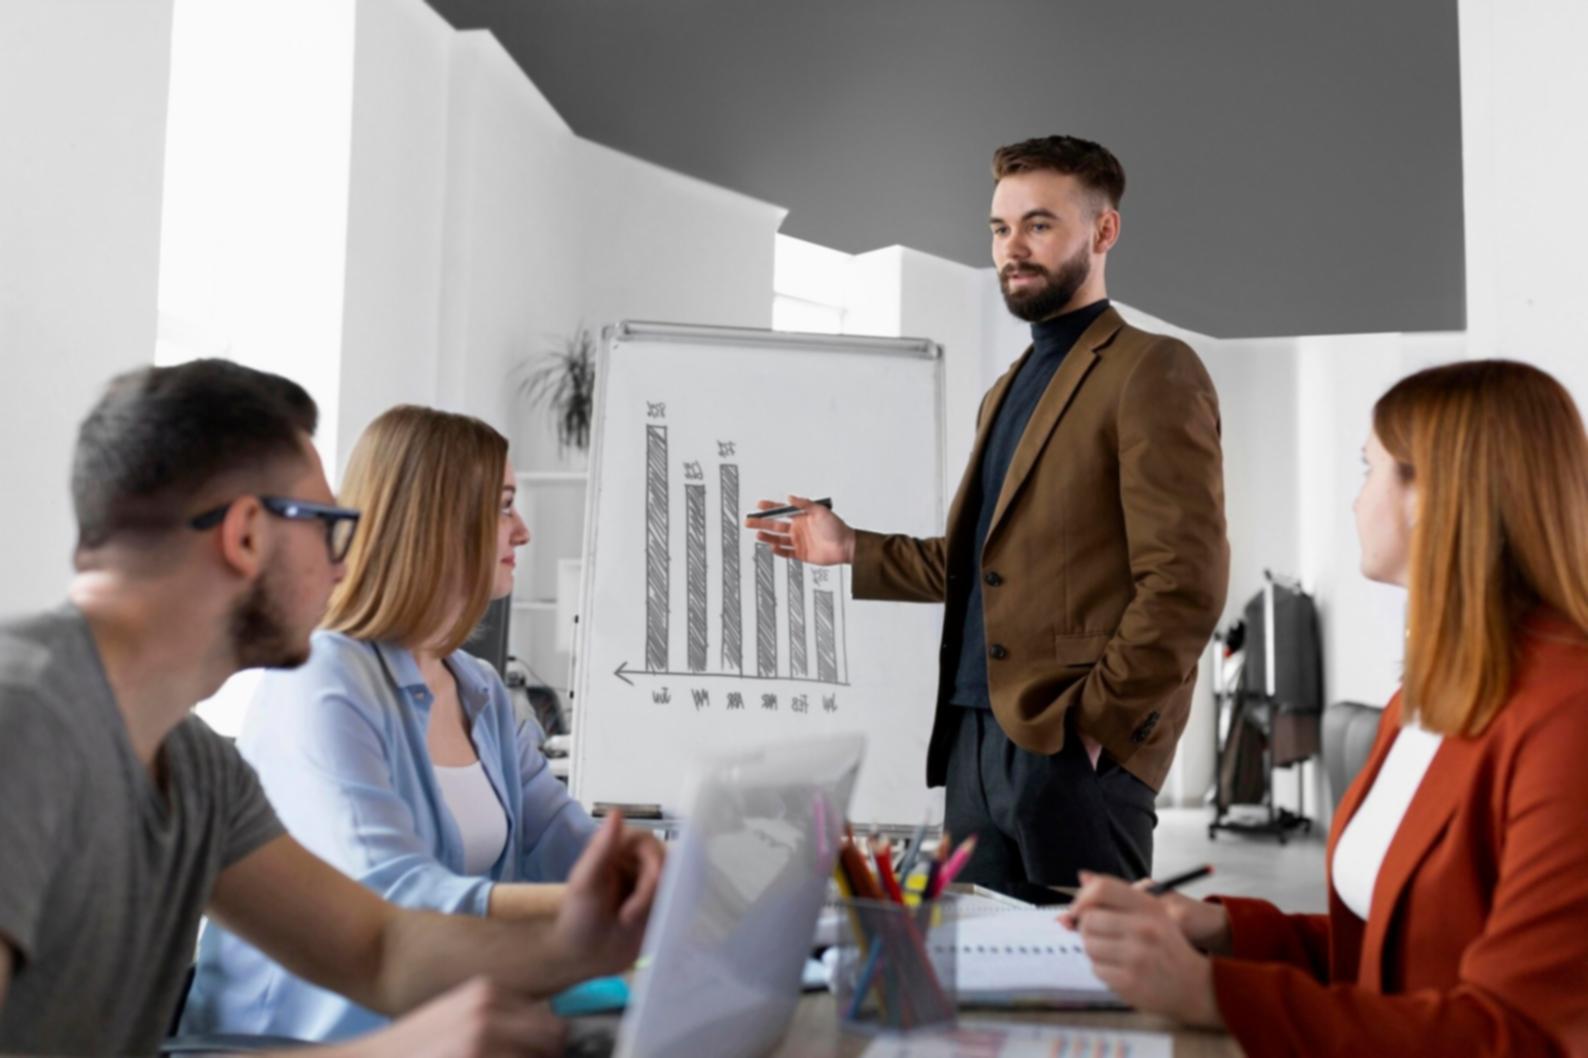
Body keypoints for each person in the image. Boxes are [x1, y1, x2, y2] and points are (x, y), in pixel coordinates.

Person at [0, 360, 659, 1058]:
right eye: (329, 527)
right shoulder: (23, 722)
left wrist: (579, 937)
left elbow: (379, 948)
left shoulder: (193, 764)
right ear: (247, 535)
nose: (345, 564)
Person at [749, 135, 1228, 900]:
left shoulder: (1152, 369)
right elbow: (982, 565)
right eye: (1001, 229)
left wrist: (1095, 729)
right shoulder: (1006, 389)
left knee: (1084, 989)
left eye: (1040, 224)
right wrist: (849, 549)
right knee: (977, 984)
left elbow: (1185, 582)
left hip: (1068, 750)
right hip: (973, 739)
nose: (1013, 247)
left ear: (1104, 233)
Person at [1066, 360, 1588, 1056]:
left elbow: (1518, 1035)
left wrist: (1210, 993)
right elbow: (1390, 955)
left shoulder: (1567, 719)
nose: (1355, 501)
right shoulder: (1426, 697)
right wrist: (1223, 933)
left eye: (1367, 469)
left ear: (1433, 494)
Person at [182, 404, 659, 1042]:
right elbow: (391, 892)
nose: (522, 532)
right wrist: (602, 902)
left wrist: (671, 872)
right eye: (504, 505)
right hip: (310, 1038)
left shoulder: (478, 688)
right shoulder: (322, 677)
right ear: (438, 520)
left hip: (447, 1018)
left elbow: (562, 842)